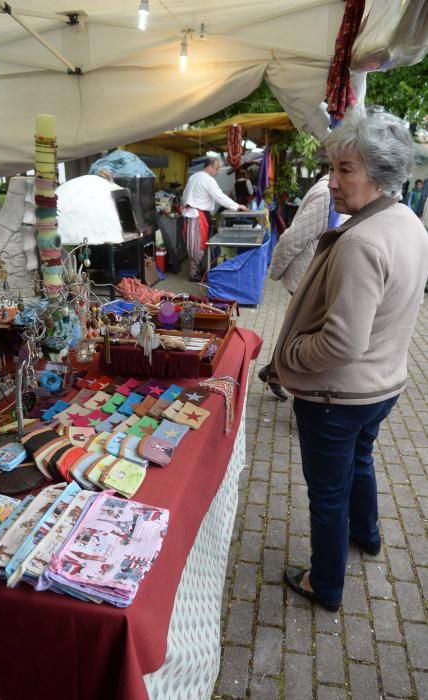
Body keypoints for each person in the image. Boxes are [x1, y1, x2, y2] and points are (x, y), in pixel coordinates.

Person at [268, 107, 428, 612]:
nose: (332, 181)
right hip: (382, 387)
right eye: (332, 168)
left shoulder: (360, 240)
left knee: (327, 494)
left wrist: (289, 354)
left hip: (339, 395)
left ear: (379, 175)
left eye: (346, 170)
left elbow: (340, 344)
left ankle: (326, 584)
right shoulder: (407, 221)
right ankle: (369, 535)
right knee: (361, 461)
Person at [258, 172, 346, 401]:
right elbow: (296, 236)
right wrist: (275, 271)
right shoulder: (327, 193)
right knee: (307, 331)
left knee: (299, 327)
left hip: (313, 273)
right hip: (306, 275)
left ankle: (274, 372)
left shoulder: (330, 190)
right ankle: (283, 376)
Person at [182, 158, 248, 282]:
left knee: (194, 245)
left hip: (191, 214)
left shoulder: (194, 177)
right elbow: (219, 196)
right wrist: (237, 206)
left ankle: (197, 271)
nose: (217, 172)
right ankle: (194, 274)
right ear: (209, 167)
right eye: (217, 168)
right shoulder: (208, 179)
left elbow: (185, 195)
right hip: (197, 215)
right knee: (197, 246)